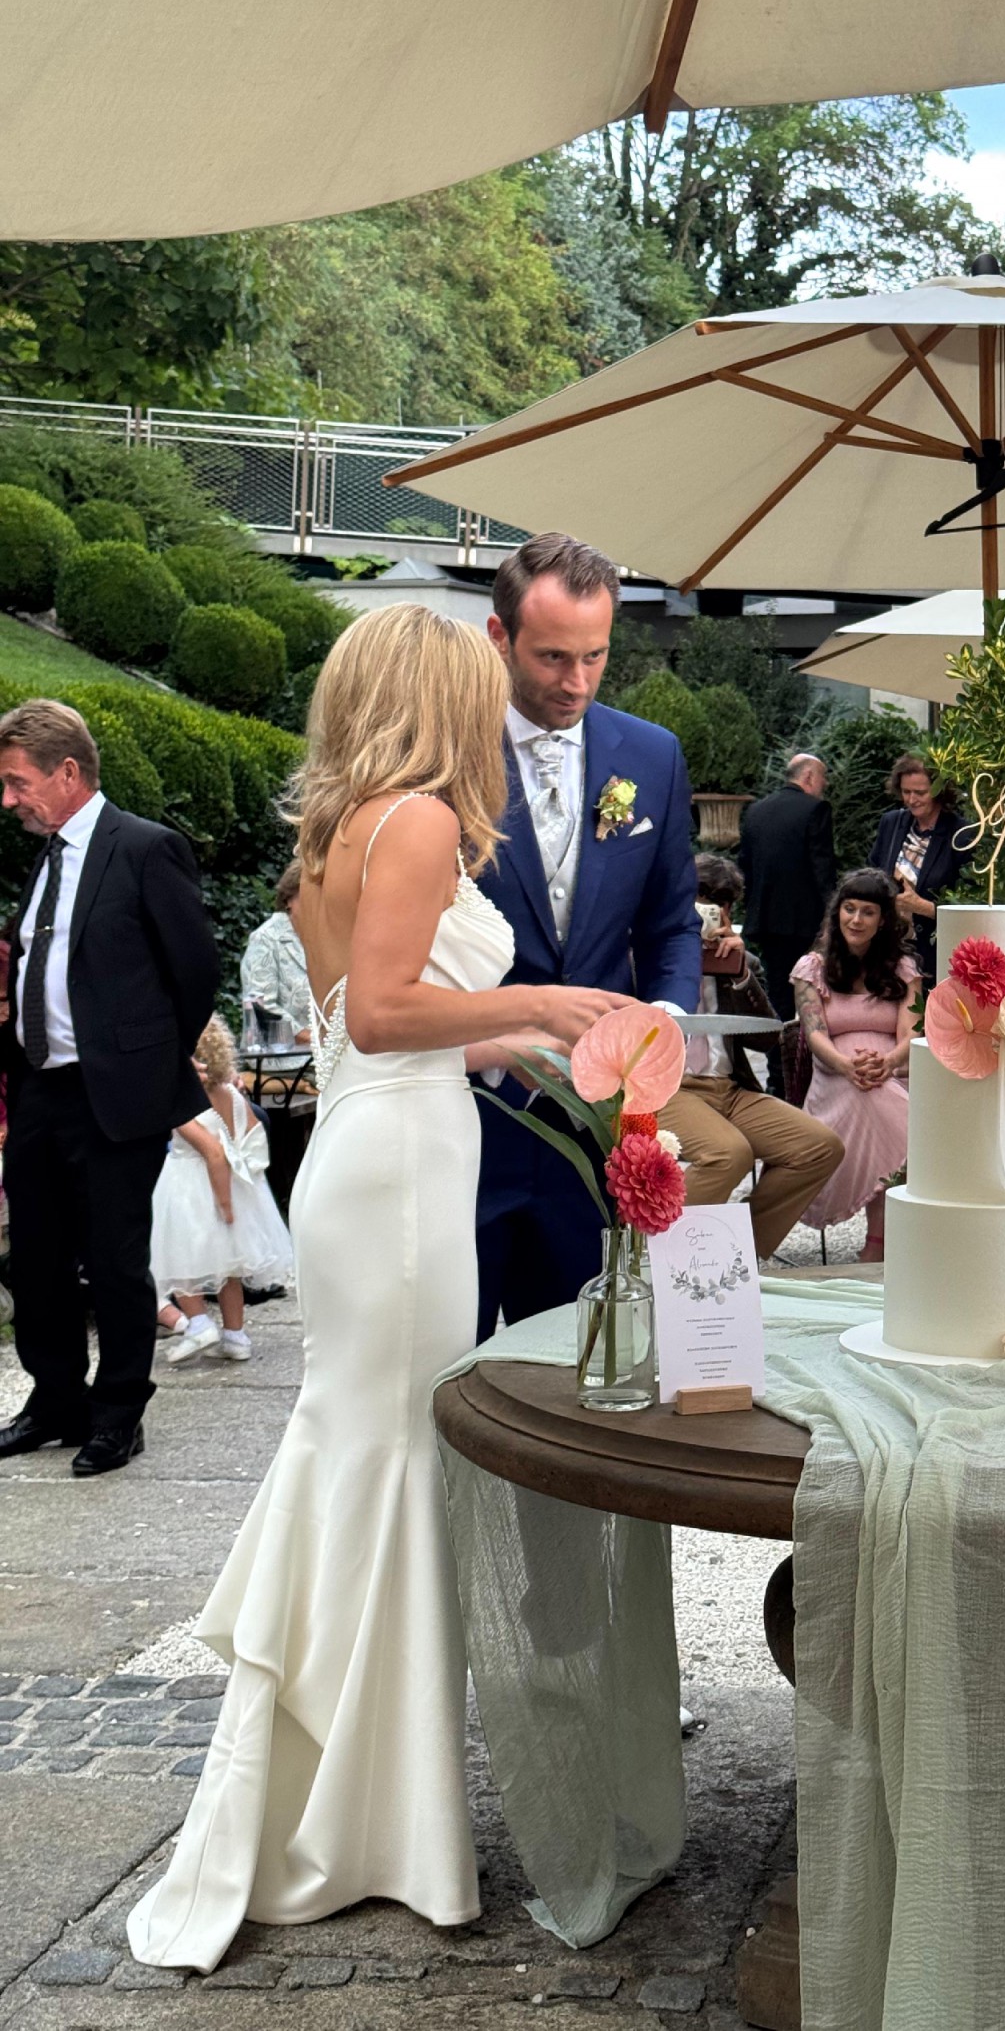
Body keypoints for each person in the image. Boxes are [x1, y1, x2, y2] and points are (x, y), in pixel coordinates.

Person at [126, 602, 628, 1970]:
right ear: (436, 696)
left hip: (377, 1147)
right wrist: (539, 1005)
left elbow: (375, 1031)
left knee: (368, 1454)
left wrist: (525, 1050)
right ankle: (375, 1820)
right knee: (396, 1460)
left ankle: (348, 1800)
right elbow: (392, 1011)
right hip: (398, 1174)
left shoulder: (338, 832)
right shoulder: (413, 821)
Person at [474, 532, 703, 1342]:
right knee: (454, 1363)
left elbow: (672, 924)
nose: (576, 682)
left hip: (599, 1124)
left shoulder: (653, 755)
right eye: (552, 657)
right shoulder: (447, 751)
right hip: (468, 1116)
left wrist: (664, 1024)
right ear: (500, 636)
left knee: (583, 1360)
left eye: (594, 657)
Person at [0, 699, 217, 1477]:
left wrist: (145, 1065)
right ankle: (56, 1401)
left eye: (17, 782)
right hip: (39, 1090)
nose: (8, 800)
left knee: (114, 1260)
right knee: (35, 1258)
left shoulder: (146, 848)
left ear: (67, 772)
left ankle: (119, 1413)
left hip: (115, 1096)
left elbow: (195, 973)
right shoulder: (47, 858)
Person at [659, 854, 844, 1257]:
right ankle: (666, 1257)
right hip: (668, 1090)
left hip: (729, 1089)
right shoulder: (651, 955)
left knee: (820, 1147)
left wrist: (739, 973)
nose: (710, 912)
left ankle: (735, 1253)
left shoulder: (740, 962)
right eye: (701, 900)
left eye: (720, 904)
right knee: (728, 1154)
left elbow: (765, 1040)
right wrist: (681, 954)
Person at [792, 868, 919, 1263]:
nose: (856, 920)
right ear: (838, 912)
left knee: (882, 1098)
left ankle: (878, 1240)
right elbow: (815, 1035)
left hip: (893, 1074)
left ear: (883, 920)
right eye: (849, 909)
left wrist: (888, 1063)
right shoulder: (812, 968)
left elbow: (911, 1035)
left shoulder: (903, 969)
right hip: (835, 1078)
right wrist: (847, 1066)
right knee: (887, 1108)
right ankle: (880, 1242)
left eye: (868, 912)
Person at [153, 1014, 294, 1366]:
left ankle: (199, 1323)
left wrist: (225, 1204)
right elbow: (253, 1135)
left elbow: (213, 1153)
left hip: (193, 1191)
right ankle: (236, 1336)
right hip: (233, 1185)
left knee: (182, 1261)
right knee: (228, 1268)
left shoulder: (183, 1102)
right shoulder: (232, 1094)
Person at [738, 752, 837, 1023]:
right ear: (809, 776)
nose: (825, 784)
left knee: (777, 992)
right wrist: (832, 914)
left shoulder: (756, 810)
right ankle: (803, 1046)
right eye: (823, 777)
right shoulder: (816, 809)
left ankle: (777, 1047)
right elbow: (822, 869)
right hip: (805, 921)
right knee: (812, 989)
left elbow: (745, 866)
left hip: (766, 919)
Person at [868, 754, 970, 984]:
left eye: (920, 793)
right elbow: (872, 873)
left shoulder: (961, 834)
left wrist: (923, 907)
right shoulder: (891, 823)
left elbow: (971, 907)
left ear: (939, 791)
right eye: (906, 792)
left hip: (934, 955)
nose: (912, 799)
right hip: (887, 950)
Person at [239, 862, 312, 1045]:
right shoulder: (266, 939)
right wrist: (313, 1040)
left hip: (329, 1054)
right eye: (311, 892)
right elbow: (261, 1008)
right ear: (289, 899)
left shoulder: (328, 937)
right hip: (281, 1055)